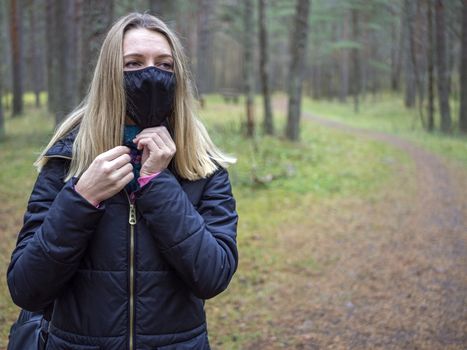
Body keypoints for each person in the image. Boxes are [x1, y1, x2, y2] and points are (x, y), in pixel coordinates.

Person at [7, 12, 238, 350]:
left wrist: (157, 183)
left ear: (178, 77)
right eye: (132, 64)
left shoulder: (202, 166)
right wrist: (81, 198)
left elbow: (213, 276)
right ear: (109, 75)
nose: (150, 74)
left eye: (164, 65)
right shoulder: (68, 160)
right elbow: (27, 289)